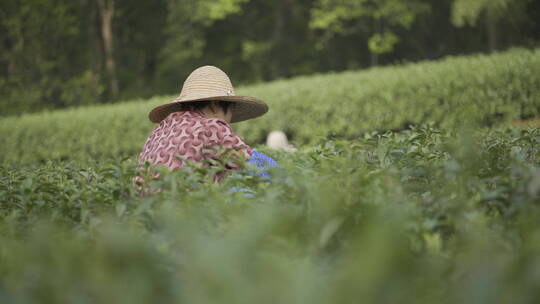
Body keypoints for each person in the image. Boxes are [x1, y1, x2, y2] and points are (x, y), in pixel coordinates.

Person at [135, 65, 278, 189]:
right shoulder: (211, 126)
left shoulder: (161, 129)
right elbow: (256, 164)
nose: (228, 123)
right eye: (231, 111)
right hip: (185, 209)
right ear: (216, 105)